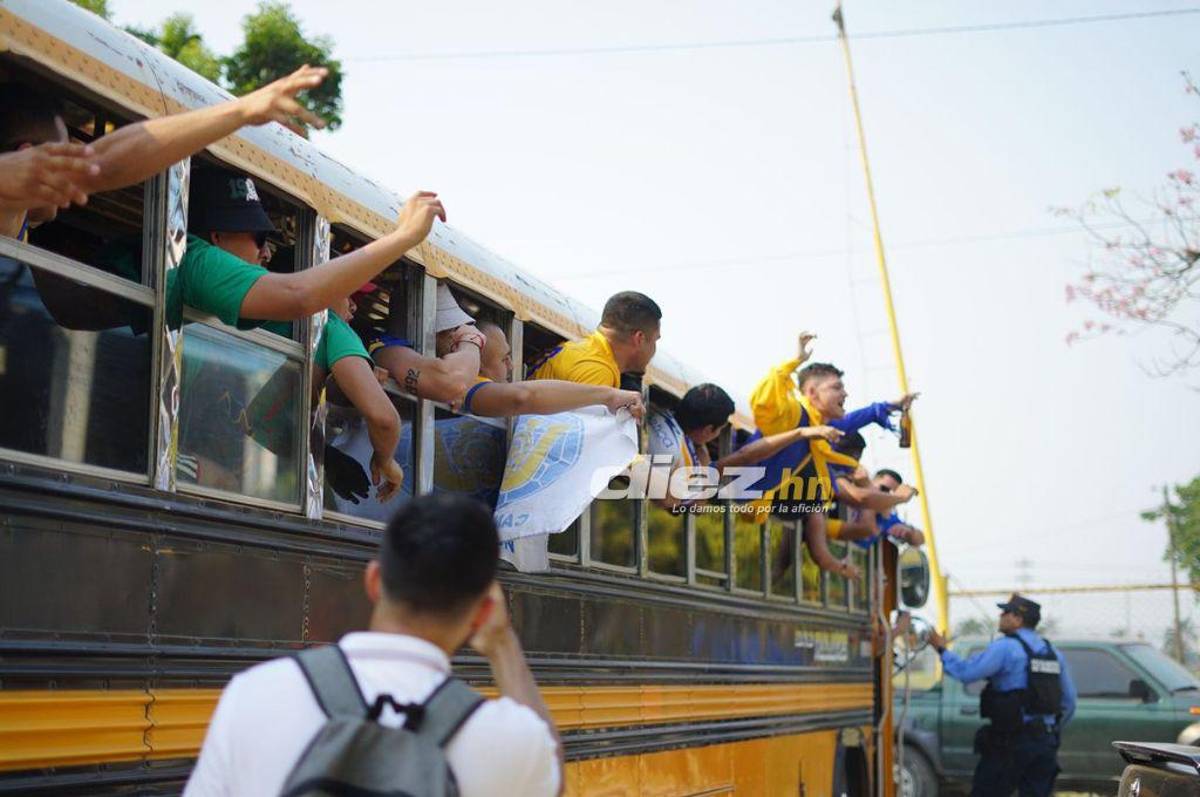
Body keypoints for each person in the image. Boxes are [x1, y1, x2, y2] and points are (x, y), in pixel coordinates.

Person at [184, 493, 562, 797]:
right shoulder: (510, 741)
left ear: (375, 581)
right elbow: (553, 779)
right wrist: (502, 643)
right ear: (482, 614)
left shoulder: (255, 694)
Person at [0, 66, 329, 241]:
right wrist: (240, 112)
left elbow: (99, 164)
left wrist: (242, 112)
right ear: (27, 156)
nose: (76, 162)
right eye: (61, 155)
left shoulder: (21, 220)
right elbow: (100, 165)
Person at [927, 594, 1077, 797]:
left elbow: (967, 673)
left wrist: (942, 649)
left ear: (1018, 619)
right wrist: (1049, 729)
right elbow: (1069, 702)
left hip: (1011, 742)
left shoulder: (1006, 647)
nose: (1001, 615)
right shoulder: (1052, 653)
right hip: (1045, 743)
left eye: (1006, 612)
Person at [646, 382, 844, 510]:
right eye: (720, 431)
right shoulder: (685, 461)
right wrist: (800, 432)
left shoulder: (654, 410)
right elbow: (745, 456)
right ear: (708, 430)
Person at [456, 320, 645, 419]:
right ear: (476, 363)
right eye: (504, 359)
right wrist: (608, 395)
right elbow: (522, 397)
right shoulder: (466, 385)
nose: (511, 366)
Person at [369, 283, 486, 404]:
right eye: (454, 328)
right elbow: (450, 383)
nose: (455, 336)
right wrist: (472, 339)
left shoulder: (455, 368)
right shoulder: (387, 350)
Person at [527, 291, 661, 387]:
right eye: (655, 340)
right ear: (639, 339)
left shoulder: (577, 348)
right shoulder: (598, 371)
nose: (654, 350)